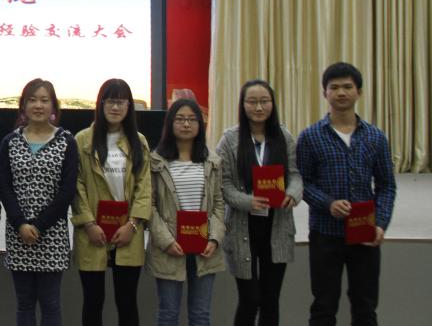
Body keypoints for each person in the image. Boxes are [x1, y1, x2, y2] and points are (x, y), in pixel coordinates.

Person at [297, 62, 396, 326]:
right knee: (323, 305)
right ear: (325, 93)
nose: (341, 92)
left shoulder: (375, 137)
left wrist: (381, 223)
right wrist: (328, 203)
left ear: (359, 92)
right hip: (325, 233)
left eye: (347, 87)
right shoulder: (310, 136)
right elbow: (302, 182)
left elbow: (387, 185)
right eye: (334, 87)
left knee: (365, 306)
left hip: (365, 233)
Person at [216, 80, 302, 326]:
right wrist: (247, 201)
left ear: (272, 104)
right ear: (242, 105)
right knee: (250, 299)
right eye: (252, 101)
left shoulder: (284, 137)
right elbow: (223, 183)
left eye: (264, 101)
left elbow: (295, 174)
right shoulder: (230, 140)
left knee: (270, 299)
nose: (258, 107)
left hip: (277, 226)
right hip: (242, 227)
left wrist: (292, 193)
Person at [0, 78, 78, 326]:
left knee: (50, 303)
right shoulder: (10, 141)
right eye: (32, 100)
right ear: (23, 105)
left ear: (54, 106)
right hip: (18, 234)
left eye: (44, 100)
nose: (38, 105)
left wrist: (39, 226)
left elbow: (67, 191)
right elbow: (4, 187)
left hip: (51, 235)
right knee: (24, 304)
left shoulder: (66, 141)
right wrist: (21, 224)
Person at [71, 78, 151, 326]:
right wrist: (89, 224)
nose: (115, 107)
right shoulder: (83, 140)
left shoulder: (139, 141)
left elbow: (144, 187)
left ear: (129, 106)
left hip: (128, 232)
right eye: (110, 101)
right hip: (92, 232)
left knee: (127, 302)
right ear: (101, 104)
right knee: (93, 301)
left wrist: (133, 225)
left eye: (121, 102)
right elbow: (76, 185)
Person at [147, 99, 225, 326]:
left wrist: (215, 238)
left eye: (192, 119)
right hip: (169, 247)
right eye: (180, 119)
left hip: (205, 248)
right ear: (170, 123)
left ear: (200, 124)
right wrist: (166, 241)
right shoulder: (155, 162)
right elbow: (149, 205)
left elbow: (219, 204)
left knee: (200, 315)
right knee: (168, 314)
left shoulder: (212, 161)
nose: (186, 124)